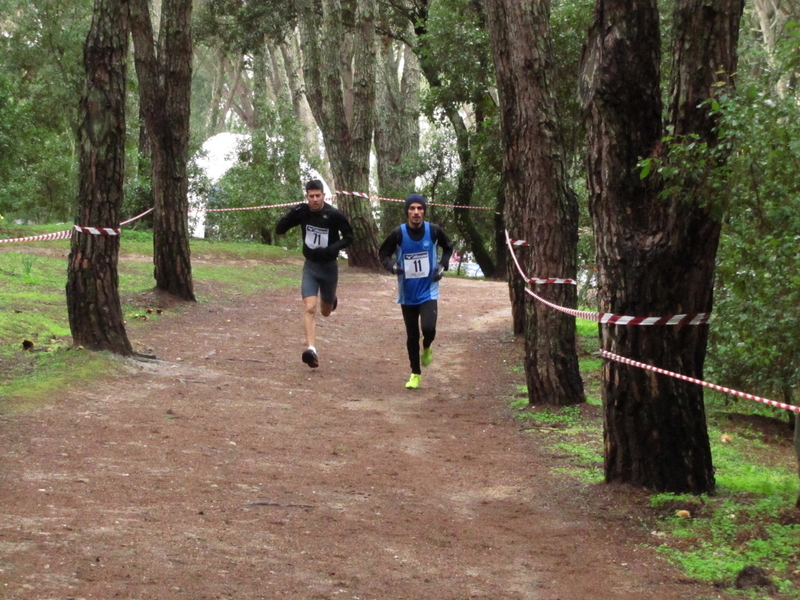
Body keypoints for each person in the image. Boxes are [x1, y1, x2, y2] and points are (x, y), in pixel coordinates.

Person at [276, 180, 353, 368]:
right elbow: (280, 230)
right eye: (311, 196)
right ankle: (311, 350)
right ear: (307, 196)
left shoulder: (333, 214)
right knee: (310, 307)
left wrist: (332, 248)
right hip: (310, 267)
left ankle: (331, 300)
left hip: (329, 268)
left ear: (323, 196)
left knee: (325, 312)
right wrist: (290, 215)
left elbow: (350, 236)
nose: (315, 200)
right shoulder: (303, 212)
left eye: (318, 196)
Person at [379, 193, 453, 389]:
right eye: (412, 209)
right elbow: (383, 253)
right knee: (412, 335)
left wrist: (442, 265)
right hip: (408, 293)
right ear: (407, 212)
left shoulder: (434, 231)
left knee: (428, 329)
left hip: (428, 290)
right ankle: (415, 373)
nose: (416, 212)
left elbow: (448, 248)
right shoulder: (398, 233)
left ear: (424, 212)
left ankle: (427, 346)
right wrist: (393, 267)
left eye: (419, 208)